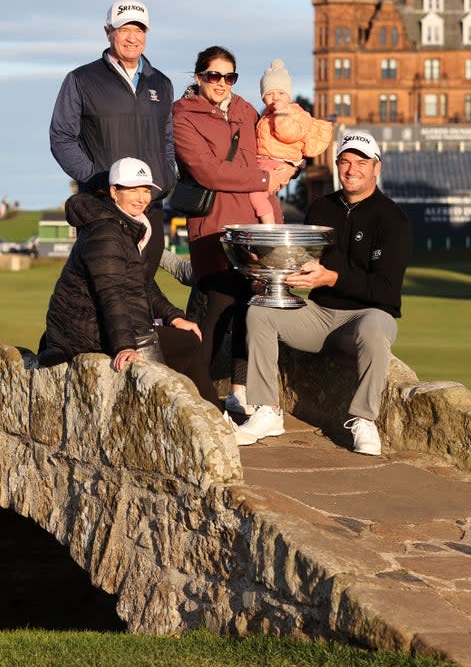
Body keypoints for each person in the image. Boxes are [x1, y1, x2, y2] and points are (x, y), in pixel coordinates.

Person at [236, 131, 413, 454]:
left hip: (364, 317)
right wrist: (271, 274)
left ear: (377, 168)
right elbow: (304, 265)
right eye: (344, 161)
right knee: (259, 311)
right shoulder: (321, 208)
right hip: (318, 316)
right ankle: (267, 410)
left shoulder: (392, 219)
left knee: (375, 328)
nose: (351, 169)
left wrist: (332, 279)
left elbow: (386, 292)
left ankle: (363, 420)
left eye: (361, 162)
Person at [172, 46, 296, 412]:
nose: (222, 83)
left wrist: (290, 167)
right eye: (214, 75)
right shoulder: (183, 116)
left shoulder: (244, 109)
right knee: (213, 312)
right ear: (198, 77)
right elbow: (207, 171)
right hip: (215, 227)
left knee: (250, 310)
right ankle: (198, 397)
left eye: (229, 77)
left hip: (256, 226)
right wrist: (263, 177)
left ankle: (240, 392)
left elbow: (269, 150)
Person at [37, 158, 219, 406]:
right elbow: (111, 294)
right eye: (132, 190)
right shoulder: (107, 233)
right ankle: (213, 417)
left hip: (96, 323)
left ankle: (206, 415)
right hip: (84, 331)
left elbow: (139, 283)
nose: (141, 197)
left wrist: (174, 316)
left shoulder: (126, 225)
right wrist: (125, 346)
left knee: (185, 338)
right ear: (114, 192)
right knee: (186, 344)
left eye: (145, 190)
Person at [49, 0, 175, 281]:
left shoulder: (161, 83)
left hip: (150, 204)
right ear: (108, 32)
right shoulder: (81, 79)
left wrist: (167, 177)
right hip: (104, 207)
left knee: (143, 292)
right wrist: (98, 182)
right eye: (124, 29)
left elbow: (167, 138)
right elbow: (62, 137)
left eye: (139, 30)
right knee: (106, 294)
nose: (133, 37)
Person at [249, 60, 333, 224]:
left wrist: (281, 114)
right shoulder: (266, 115)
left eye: (281, 93)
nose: (275, 98)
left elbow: (288, 134)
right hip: (268, 162)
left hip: (280, 163)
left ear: (289, 95)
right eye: (269, 94)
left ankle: (268, 226)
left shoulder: (293, 113)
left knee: (255, 193)